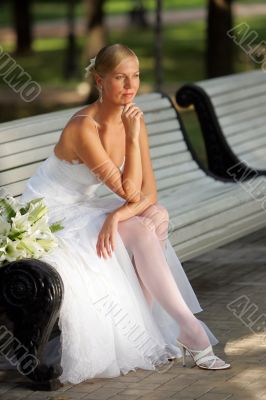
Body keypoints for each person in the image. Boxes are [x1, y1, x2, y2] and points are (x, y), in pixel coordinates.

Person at [20, 43, 230, 385]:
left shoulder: (133, 118)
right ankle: (189, 329)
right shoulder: (84, 128)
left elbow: (149, 195)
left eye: (135, 76)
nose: (130, 86)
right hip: (49, 211)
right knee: (144, 228)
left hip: (82, 204)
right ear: (100, 81)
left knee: (155, 216)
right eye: (120, 77)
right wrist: (132, 140)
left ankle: (150, 327)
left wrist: (116, 217)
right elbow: (131, 193)